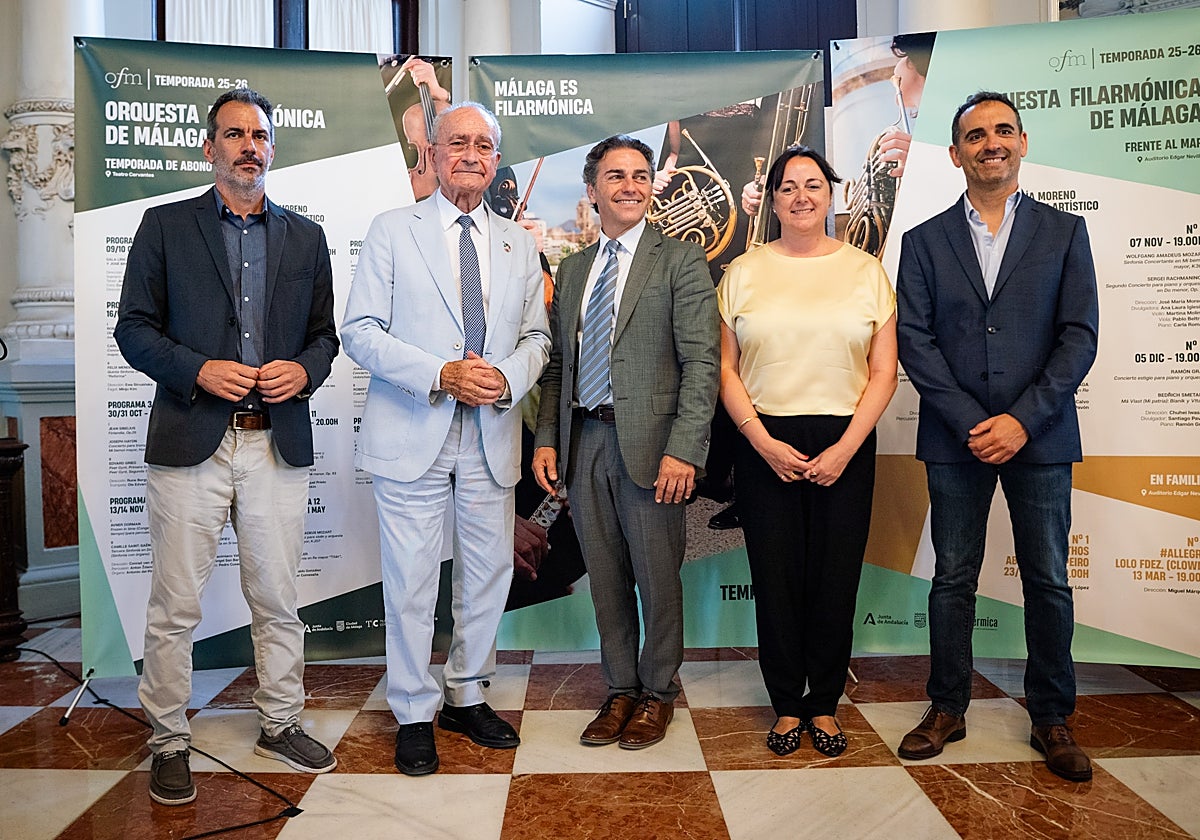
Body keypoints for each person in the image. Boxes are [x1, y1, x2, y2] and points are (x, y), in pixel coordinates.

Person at [114, 88, 340, 806]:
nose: (249, 145)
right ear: (209, 147)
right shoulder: (165, 226)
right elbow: (134, 328)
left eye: (260, 134)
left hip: (275, 440)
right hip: (194, 439)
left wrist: (305, 370)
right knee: (176, 603)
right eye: (234, 134)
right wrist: (197, 369)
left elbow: (324, 336)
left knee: (276, 597)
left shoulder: (305, 236)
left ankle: (280, 721)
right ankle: (169, 738)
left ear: (273, 148)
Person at [341, 102, 550, 776]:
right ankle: (411, 709)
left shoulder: (518, 243)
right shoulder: (391, 230)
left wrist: (506, 377)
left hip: (490, 433)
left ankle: (466, 693)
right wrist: (441, 372)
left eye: (483, 145)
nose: (470, 155)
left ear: (495, 159)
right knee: (410, 580)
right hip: (413, 430)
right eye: (456, 142)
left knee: (487, 575)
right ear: (431, 152)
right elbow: (361, 330)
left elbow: (538, 339)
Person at [895, 91, 1099, 781]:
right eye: (975, 135)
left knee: (1048, 580)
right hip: (957, 441)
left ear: (1023, 142)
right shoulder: (922, 241)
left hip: (1040, 437)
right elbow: (915, 343)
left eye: (1003, 131)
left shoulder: (1064, 233)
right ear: (955, 154)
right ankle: (946, 707)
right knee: (952, 579)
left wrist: (1021, 420)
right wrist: (972, 422)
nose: (991, 143)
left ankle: (1053, 717)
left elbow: (1079, 338)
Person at [532, 135, 719, 751]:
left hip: (654, 446)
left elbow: (701, 364)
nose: (632, 186)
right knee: (606, 575)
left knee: (657, 577)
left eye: (641, 175)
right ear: (593, 190)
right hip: (585, 440)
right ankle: (620, 689)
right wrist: (548, 440)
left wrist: (685, 449)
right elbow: (559, 364)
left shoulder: (681, 261)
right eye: (616, 176)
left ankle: (658, 692)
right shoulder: (576, 267)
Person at [717, 145, 897, 758]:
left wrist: (848, 447)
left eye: (813, 184)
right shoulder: (742, 272)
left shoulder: (866, 271)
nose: (801, 196)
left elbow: (884, 372)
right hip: (764, 441)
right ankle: (786, 705)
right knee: (776, 578)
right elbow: (725, 366)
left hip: (846, 440)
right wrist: (760, 441)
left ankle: (824, 703)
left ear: (830, 194)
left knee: (834, 576)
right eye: (788, 186)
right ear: (773, 199)